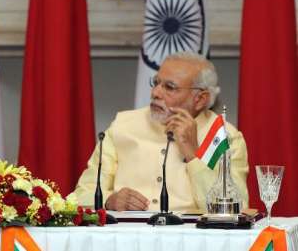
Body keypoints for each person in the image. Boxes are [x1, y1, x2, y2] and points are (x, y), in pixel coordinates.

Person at [74, 52, 249, 212]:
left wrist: (193, 155)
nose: (155, 93)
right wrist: (108, 201)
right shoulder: (123, 125)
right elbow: (79, 196)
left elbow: (236, 209)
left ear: (200, 99)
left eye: (170, 87)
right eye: (156, 83)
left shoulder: (224, 137)